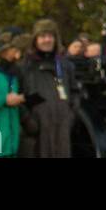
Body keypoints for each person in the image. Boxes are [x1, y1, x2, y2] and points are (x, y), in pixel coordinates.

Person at [18, 19, 77, 158]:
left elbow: (75, 92)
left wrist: (71, 115)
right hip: (36, 131)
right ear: (35, 39)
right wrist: (28, 120)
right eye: (43, 36)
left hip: (61, 127)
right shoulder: (25, 66)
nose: (47, 40)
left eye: (50, 36)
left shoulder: (65, 65)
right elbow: (17, 96)